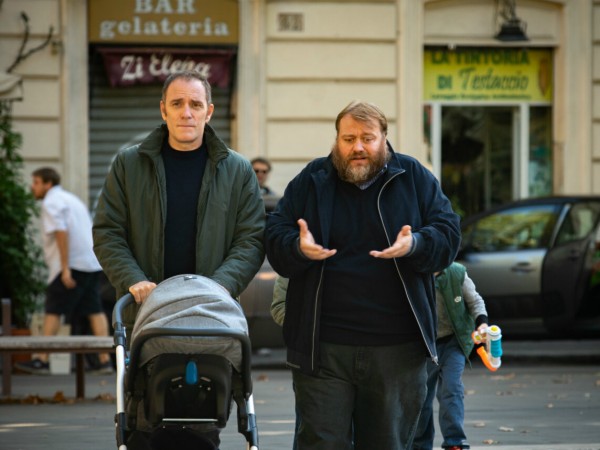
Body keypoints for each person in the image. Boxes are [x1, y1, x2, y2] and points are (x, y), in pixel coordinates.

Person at [264, 100, 461, 449]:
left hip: (397, 351)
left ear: (384, 138)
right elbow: (275, 235)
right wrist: (297, 247)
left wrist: (416, 243)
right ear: (336, 140)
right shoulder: (312, 179)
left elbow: (448, 234)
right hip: (322, 349)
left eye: (367, 138)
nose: (358, 147)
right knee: (320, 444)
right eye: (348, 138)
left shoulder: (413, 177)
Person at [92, 70, 265, 449]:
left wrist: (221, 286)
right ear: (163, 110)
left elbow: (251, 237)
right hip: (147, 314)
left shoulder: (237, 170)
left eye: (195, 104)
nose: (187, 112)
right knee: (143, 420)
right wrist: (133, 278)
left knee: (201, 421)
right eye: (177, 103)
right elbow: (107, 232)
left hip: (210, 317)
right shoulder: (129, 164)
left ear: (209, 112)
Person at [15, 167, 112, 375]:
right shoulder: (71, 199)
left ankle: (42, 359)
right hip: (91, 263)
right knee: (94, 309)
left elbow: (61, 232)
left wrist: (65, 268)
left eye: (36, 182)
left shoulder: (51, 202)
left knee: (53, 309)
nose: (32, 187)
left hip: (71, 265)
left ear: (48, 184)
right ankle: (104, 361)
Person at [412, 262, 489, 450]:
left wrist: (482, 323)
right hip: (425, 345)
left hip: (453, 341)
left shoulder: (457, 273)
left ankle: (455, 441)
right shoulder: (413, 274)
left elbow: (475, 301)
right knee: (422, 396)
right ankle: (420, 444)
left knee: (452, 389)